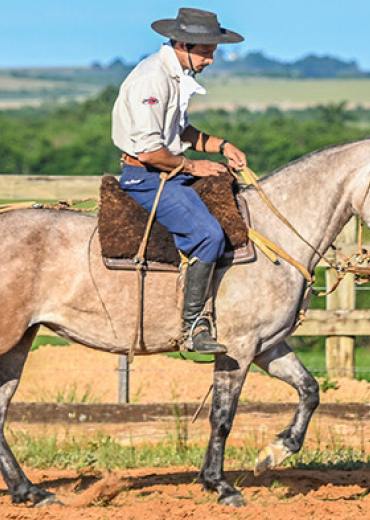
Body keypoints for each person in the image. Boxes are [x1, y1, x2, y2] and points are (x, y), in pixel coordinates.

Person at [112, 8, 247, 354]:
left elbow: (179, 132)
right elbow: (149, 151)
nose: (212, 59)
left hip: (167, 170)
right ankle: (192, 328)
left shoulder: (175, 76)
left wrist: (222, 145)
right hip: (147, 177)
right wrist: (194, 166)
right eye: (208, 51)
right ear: (184, 44)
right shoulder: (152, 79)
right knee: (208, 234)